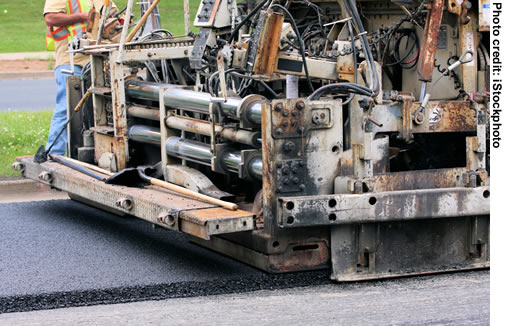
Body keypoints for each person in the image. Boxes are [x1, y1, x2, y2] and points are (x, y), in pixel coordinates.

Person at [44, 0, 91, 155]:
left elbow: (113, 15)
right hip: (71, 60)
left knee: (97, 110)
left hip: (96, 59)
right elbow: (50, 18)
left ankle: (90, 153)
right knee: (66, 108)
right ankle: (54, 154)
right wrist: (82, 16)